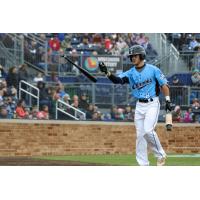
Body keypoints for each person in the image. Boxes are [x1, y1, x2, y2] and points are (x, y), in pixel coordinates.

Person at [99, 44, 172, 166]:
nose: (132, 58)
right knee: (140, 136)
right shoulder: (130, 73)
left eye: (135, 55)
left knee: (148, 130)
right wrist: (107, 72)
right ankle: (143, 164)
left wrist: (168, 101)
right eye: (131, 56)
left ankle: (160, 155)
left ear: (142, 55)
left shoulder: (153, 69)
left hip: (152, 103)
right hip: (140, 105)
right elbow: (118, 80)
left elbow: (164, 85)